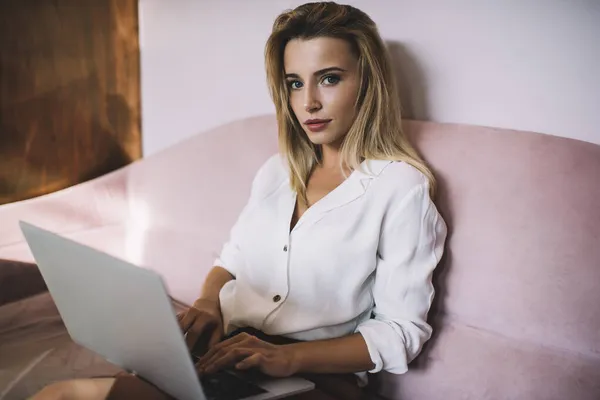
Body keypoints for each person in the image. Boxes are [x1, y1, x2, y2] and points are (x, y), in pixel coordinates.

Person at [31, 2, 447, 399]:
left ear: (368, 82)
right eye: (295, 83)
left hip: (309, 378)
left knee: (69, 394)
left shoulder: (399, 187)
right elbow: (232, 258)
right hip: (227, 350)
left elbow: (401, 331)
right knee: (61, 394)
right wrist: (208, 303)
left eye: (330, 78)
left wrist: (286, 357)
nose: (309, 103)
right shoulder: (275, 172)